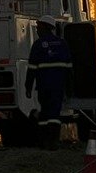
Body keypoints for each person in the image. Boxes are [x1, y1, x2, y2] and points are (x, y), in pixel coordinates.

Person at [25, 15, 73, 150]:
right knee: (54, 114)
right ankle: (53, 141)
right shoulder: (62, 44)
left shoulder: (38, 45)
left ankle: (45, 142)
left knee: (45, 113)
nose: (37, 30)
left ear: (47, 28)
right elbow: (69, 69)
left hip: (43, 86)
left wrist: (28, 87)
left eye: (39, 27)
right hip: (58, 87)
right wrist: (70, 87)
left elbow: (32, 69)